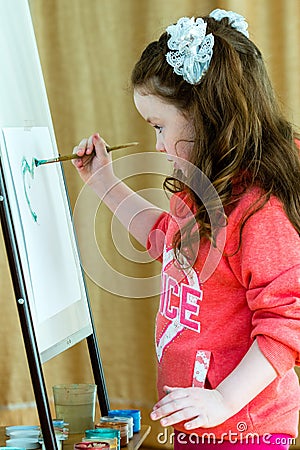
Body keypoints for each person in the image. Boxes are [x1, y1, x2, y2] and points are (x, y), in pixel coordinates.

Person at [73, 9, 300, 449]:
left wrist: (222, 400)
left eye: (160, 126)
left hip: (244, 429)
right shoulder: (201, 190)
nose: (157, 144)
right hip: (203, 425)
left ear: (208, 114)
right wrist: (104, 183)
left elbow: (288, 319)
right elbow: (168, 242)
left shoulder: (258, 205)